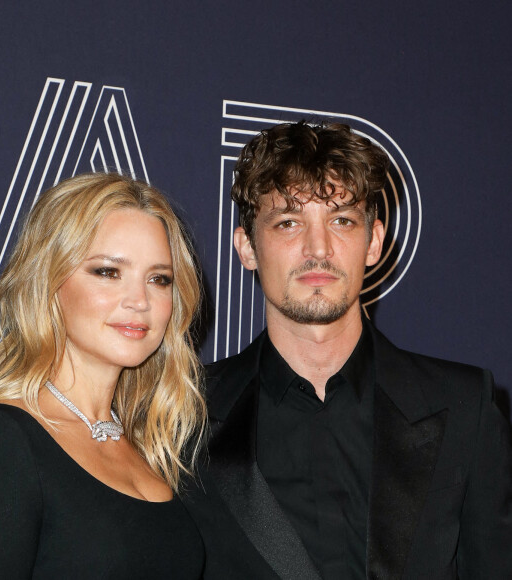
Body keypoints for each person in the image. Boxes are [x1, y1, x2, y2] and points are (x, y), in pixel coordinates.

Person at [184, 121, 512, 579]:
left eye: (341, 220)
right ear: (247, 247)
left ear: (373, 241)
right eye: (288, 222)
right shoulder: (183, 414)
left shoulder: (464, 408)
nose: (318, 248)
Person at [0, 172, 207, 578]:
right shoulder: (4, 444)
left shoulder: (148, 444)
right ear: (49, 281)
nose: (139, 301)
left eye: (159, 279)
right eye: (107, 272)